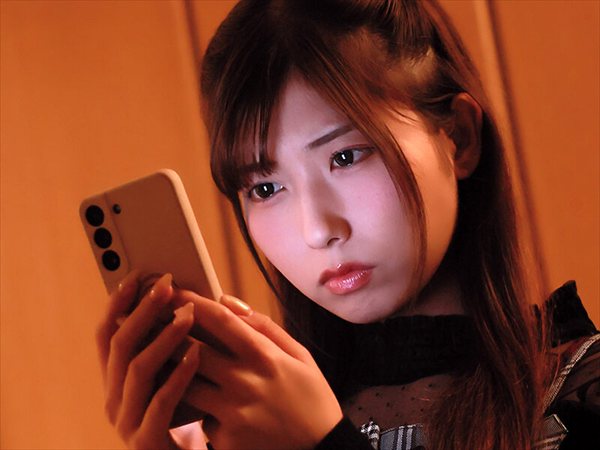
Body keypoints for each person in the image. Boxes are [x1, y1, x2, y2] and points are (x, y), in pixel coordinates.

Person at [95, 1, 599, 449]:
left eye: (346, 156)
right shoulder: (246, 429)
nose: (318, 230)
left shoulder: (580, 391)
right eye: (265, 189)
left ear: (459, 137)